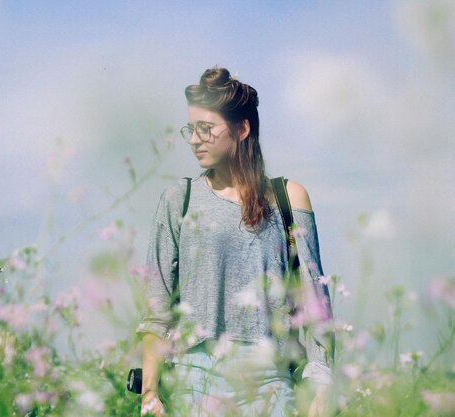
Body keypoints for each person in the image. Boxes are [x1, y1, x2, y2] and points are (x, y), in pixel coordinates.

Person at [136, 67, 333, 417]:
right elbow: (156, 311)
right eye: (191, 130)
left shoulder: (288, 198)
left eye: (206, 129)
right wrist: (149, 394)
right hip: (194, 382)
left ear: (242, 128)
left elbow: (316, 304)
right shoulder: (178, 199)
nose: (195, 140)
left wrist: (320, 385)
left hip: (271, 383)